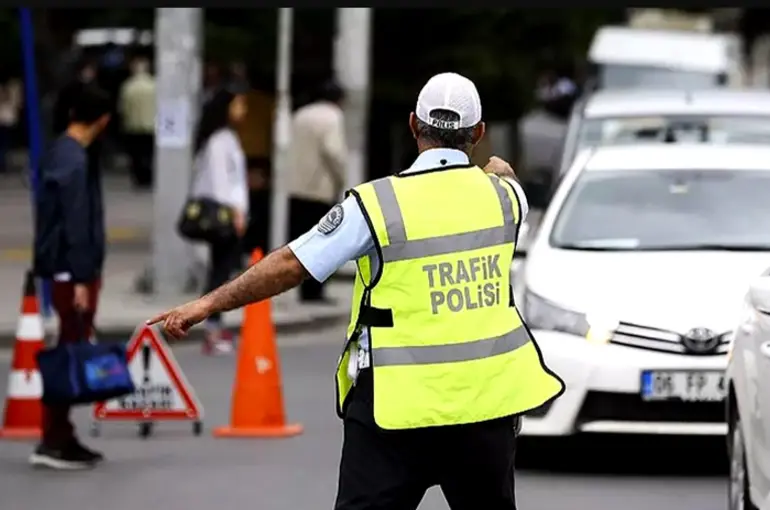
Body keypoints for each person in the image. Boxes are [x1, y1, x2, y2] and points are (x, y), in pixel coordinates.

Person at [148, 72, 565, 509]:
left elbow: (293, 264)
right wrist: (496, 169)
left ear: (412, 125)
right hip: (485, 410)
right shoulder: (505, 199)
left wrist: (208, 303)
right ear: (479, 133)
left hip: (395, 410)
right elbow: (505, 175)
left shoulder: (376, 205)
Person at [31, 85, 113, 470]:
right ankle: (54, 438)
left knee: (69, 348)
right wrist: (82, 278)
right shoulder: (74, 161)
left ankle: (60, 434)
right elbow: (75, 224)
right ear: (102, 119)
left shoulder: (60, 152)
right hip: (71, 272)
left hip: (64, 269)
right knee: (69, 351)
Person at [189, 87, 250, 355]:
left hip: (230, 214)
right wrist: (235, 213)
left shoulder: (226, 137)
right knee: (220, 272)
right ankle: (212, 328)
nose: (243, 110)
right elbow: (220, 182)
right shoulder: (219, 140)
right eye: (239, 104)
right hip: (224, 216)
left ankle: (215, 325)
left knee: (222, 270)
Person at [287, 79, 347, 303]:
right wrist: (341, 178)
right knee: (323, 241)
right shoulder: (333, 117)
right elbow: (334, 151)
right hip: (320, 188)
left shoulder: (300, 115)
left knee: (301, 241)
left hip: (296, 187)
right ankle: (316, 291)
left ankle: (303, 289)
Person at [118, 56, 156, 189]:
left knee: (136, 155)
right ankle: (149, 177)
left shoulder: (128, 87)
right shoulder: (154, 85)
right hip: (151, 126)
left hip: (133, 126)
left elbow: (123, 108)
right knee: (150, 154)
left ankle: (139, 178)